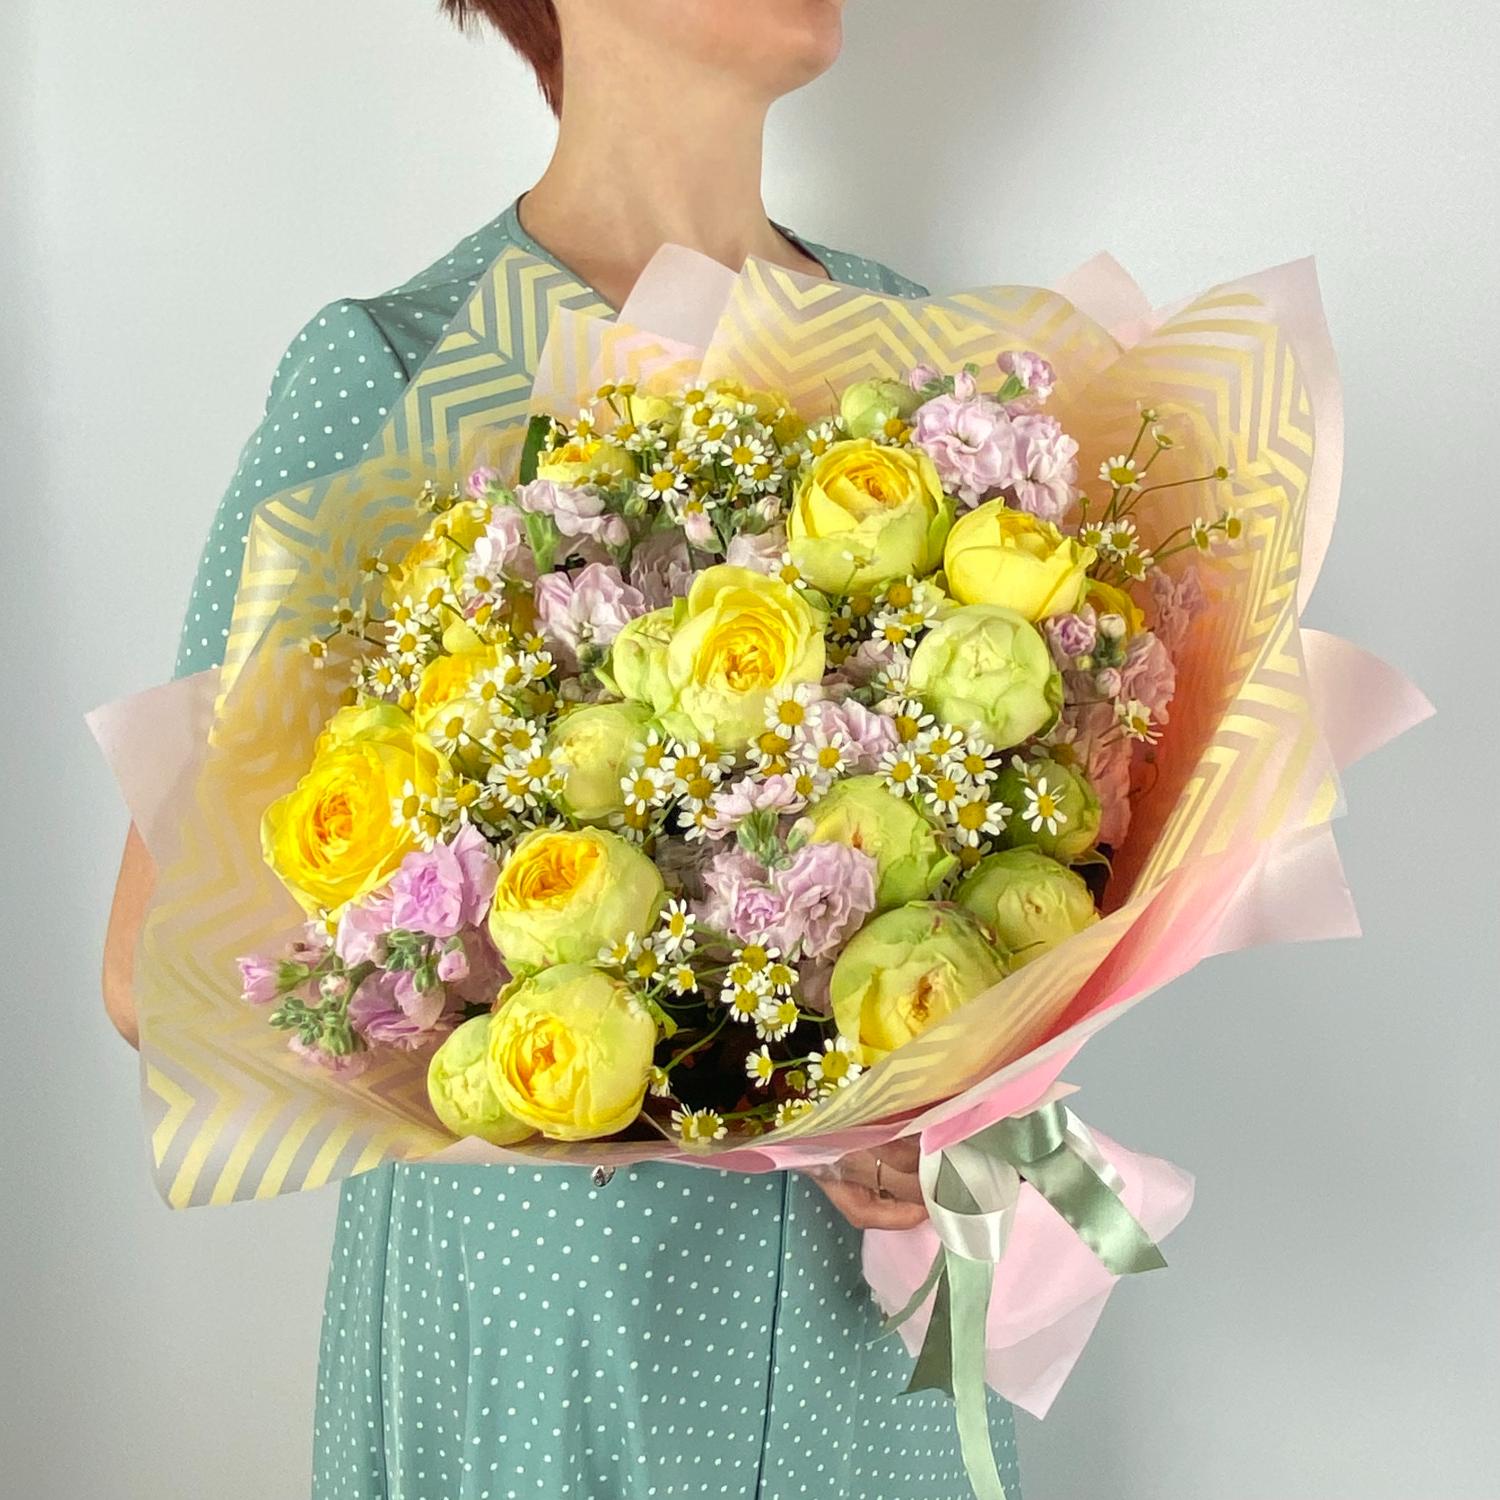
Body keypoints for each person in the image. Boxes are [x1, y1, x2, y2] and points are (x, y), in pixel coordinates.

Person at [103, 2, 1023, 1495]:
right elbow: (159, 966)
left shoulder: (926, 368)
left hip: (869, 1330)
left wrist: (953, 1097)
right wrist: (571, 1018)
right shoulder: (404, 369)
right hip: (550, 1329)